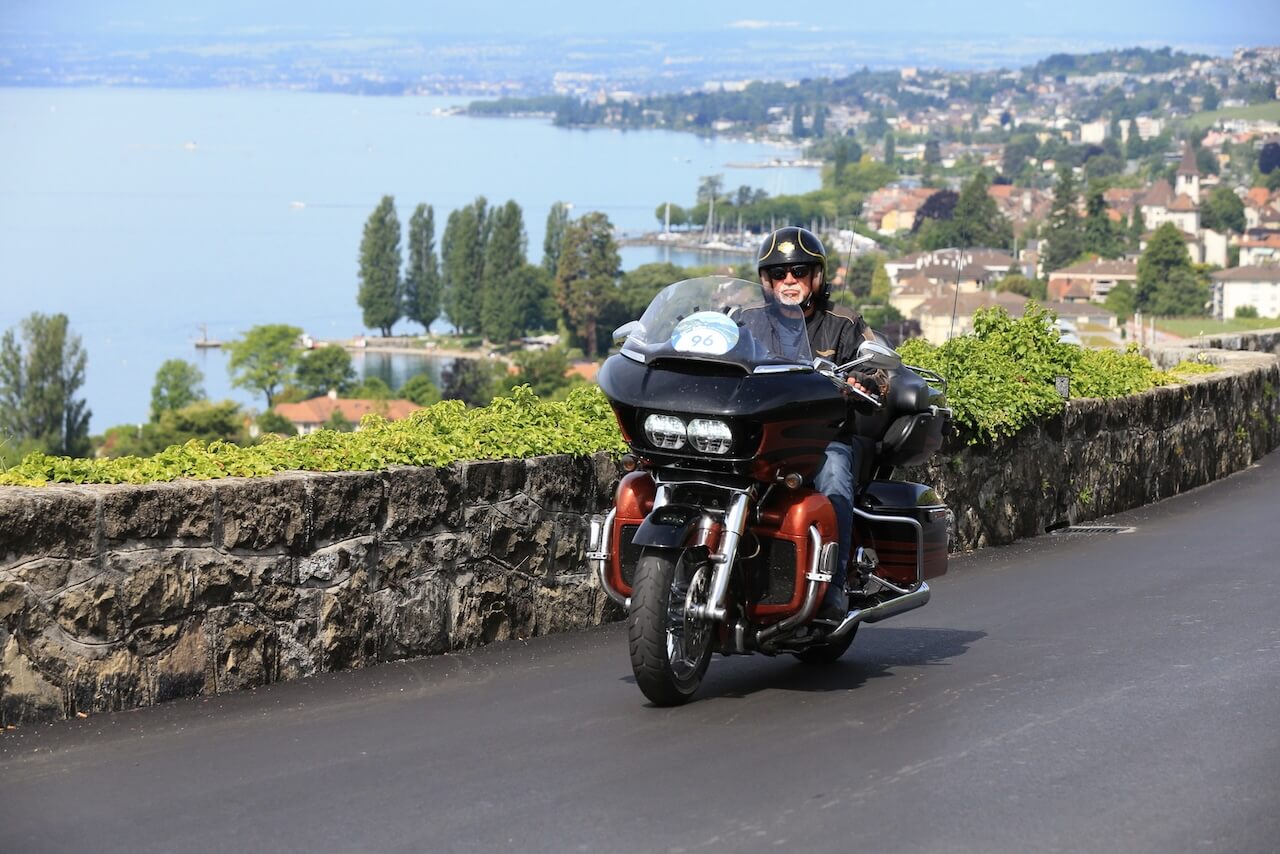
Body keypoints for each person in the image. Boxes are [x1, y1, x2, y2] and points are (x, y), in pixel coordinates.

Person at [755, 226, 882, 621]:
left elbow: (878, 366)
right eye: (779, 273)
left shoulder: (843, 323)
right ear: (766, 280)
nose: (788, 280)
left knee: (835, 477)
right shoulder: (745, 320)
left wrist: (866, 378)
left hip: (822, 439)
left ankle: (834, 585)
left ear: (816, 276)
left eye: (797, 271)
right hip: (760, 437)